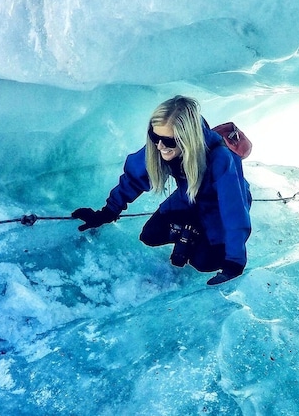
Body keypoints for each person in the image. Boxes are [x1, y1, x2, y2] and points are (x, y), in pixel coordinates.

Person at [72, 96, 253, 286]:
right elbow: (135, 177)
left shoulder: (221, 158)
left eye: (168, 141)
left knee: (203, 263)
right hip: (187, 199)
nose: (159, 146)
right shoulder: (161, 143)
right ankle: (191, 231)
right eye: (154, 137)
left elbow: (234, 213)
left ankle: (199, 236)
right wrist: (107, 212)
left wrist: (234, 264)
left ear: (187, 137)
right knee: (150, 235)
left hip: (217, 209)